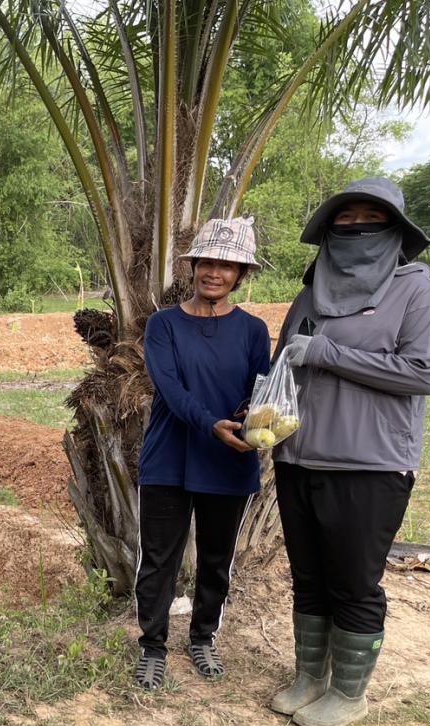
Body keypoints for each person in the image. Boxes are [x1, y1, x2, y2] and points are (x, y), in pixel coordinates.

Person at [270, 178, 430, 726]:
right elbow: (282, 372)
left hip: (368, 465)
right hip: (297, 460)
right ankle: (309, 677)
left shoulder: (414, 290)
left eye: (371, 219)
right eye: (345, 221)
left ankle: (349, 693)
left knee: (353, 581)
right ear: (328, 231)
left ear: (395, 231)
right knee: (309, 577)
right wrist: (258, 418)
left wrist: (327, 351)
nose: (356, 229)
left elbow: (425, 373)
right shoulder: (309, 294)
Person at [133, 217, 271, 691]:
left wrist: (256, 420)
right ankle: (152, 646)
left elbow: (260, 387)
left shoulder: (253, 330)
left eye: (228, 266)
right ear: (193, 267)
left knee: (216, 558)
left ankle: (203, 637)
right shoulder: (163, 324)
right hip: (170, 457)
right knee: (159, 559)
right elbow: (170, 389)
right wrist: (211, 424)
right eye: (208, 262)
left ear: (240, 275)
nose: (216, 272)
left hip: (230, 457)